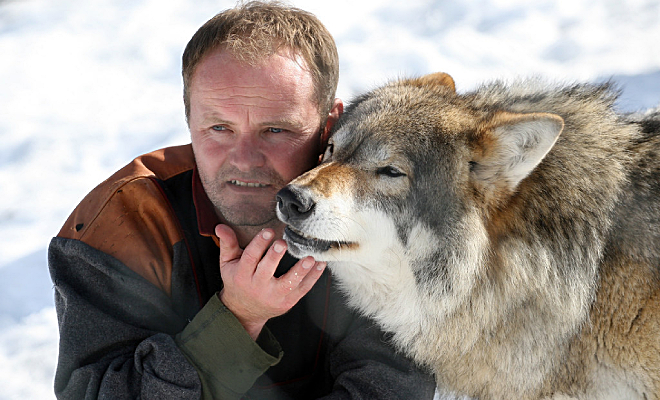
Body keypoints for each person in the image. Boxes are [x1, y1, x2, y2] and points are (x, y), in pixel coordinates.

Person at [48, 1, 437, 399]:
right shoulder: (124, 224)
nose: (245, 159)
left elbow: (393, 379)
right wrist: (237, 319)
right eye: (220, 128)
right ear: (189, 121)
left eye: (275, 129)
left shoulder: (384, 208)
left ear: (330, 125)